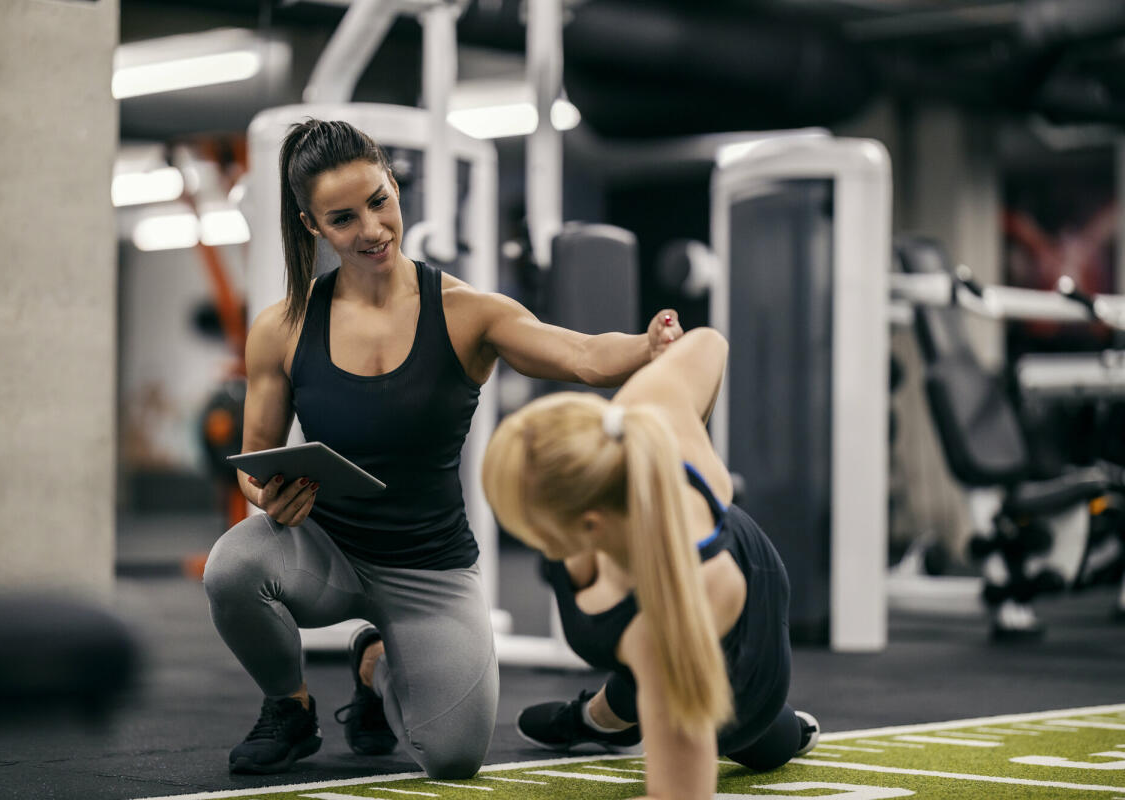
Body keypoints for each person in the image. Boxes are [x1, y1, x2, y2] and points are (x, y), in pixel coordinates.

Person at [200, 118, 683, 778]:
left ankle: (374, 669)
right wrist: (270, 493)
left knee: (452, 758)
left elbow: (582, 355)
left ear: (395, 187)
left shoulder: (466, 312)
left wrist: (646, 347)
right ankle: (289, 705)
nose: (371, 229)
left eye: (379, 202)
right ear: (313, 227)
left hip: (429, 569)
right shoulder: (282, 327)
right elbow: (256, 455)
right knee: (232, 565)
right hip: (325, 552)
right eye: (343, 219)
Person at [481, 325, 820, 800]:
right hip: (654, 598)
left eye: (533, 530)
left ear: (591, 526)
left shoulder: (667, 626)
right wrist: (660, 356)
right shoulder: (629, 428)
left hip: (741, 662)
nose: (531, 541)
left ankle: (771, 731)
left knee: (736, 730)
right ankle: (602, 720)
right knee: (634, 671)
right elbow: (708, 343)